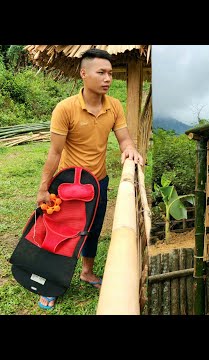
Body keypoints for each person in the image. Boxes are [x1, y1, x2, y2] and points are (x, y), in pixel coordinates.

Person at [36, 48, 144, 310]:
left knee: (93, 230)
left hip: (98, 181)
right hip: (67, 183)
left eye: (109, 73)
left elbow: (124, 139)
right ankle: (51, 282)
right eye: (101, 72)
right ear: (84, 74)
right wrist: (43, 188)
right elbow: (55, 152)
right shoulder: (66, 108)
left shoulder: (114, 106)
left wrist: (129, 149)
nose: (108, 78)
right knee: (62, 234)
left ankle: (87, 272)